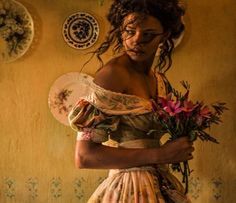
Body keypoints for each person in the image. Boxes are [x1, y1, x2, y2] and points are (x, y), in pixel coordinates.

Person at [68, 0, 194, 202]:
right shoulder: (113, 74)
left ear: (165, 35)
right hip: (128, 188)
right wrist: (159, 155)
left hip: (159, 182)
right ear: (120, 30)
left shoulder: (159, 80)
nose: (136, 40)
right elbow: (84, 157)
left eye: (148, 35)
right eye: (129, 31)